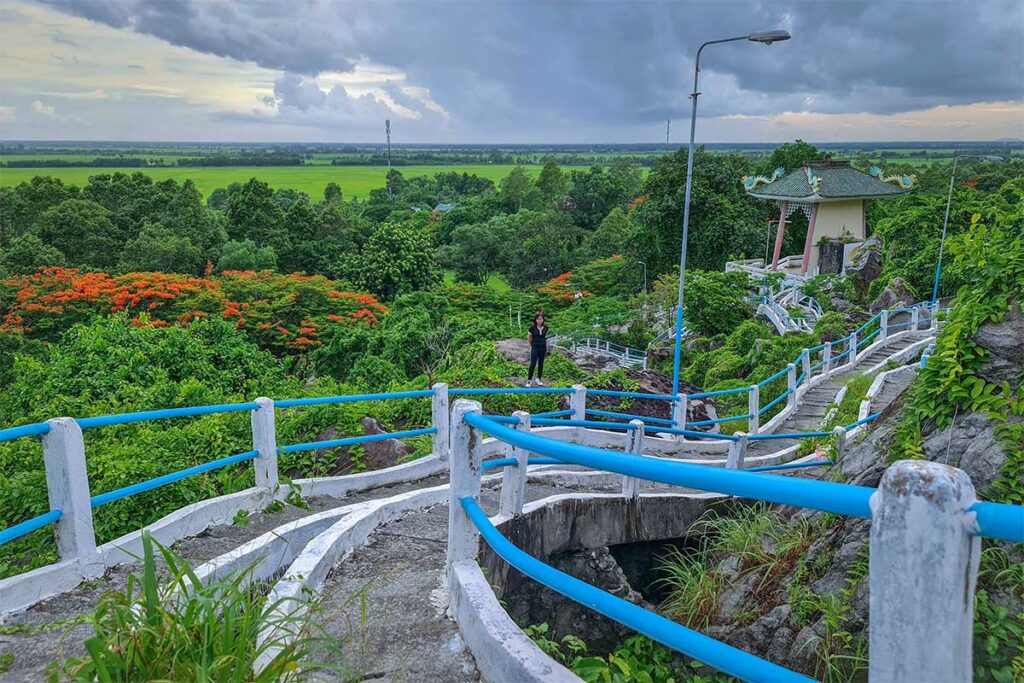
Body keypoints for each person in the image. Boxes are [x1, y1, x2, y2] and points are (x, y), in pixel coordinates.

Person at [527, 312, 549, 386]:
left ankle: (538, 379)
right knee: (533, 363)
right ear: (536, 320)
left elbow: (545, 337)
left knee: (541, 363)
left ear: (543, 320)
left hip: (543, 347)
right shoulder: (532, 328)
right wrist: (532, 345)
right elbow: (529, 338)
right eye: (538, 319)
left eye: (541, 319)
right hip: (535, 347)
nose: (539, 320)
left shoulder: (546, 328)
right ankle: (529, 380)